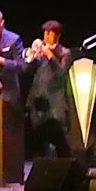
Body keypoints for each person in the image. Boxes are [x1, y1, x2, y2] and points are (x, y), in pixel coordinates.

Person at [24, 20, 72, 157]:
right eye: (45, 33)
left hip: (54, 105)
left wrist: (50, 56)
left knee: (60, 142)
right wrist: (31, 56)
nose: (45, 36)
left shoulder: (64, 53)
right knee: (39, 142)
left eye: (49, 33)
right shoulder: (40, 52)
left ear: (57, 35)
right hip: (37, 102)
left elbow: (61, 74)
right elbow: (25, 70)